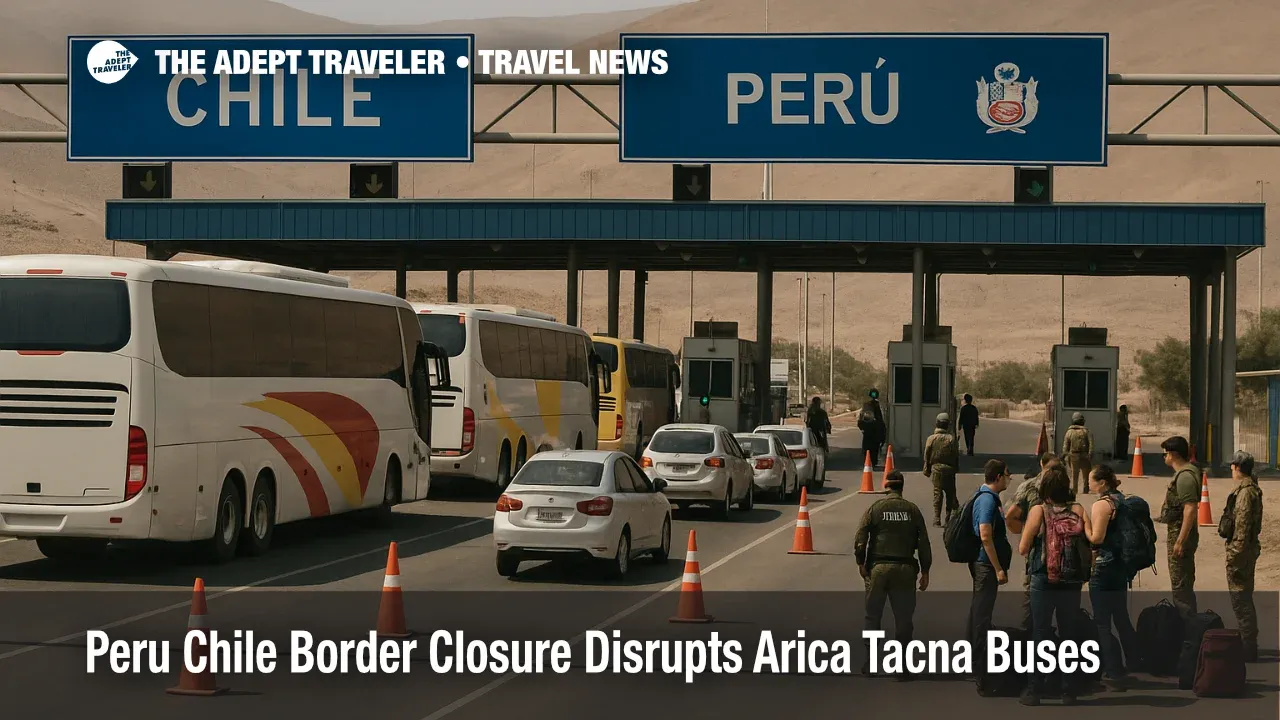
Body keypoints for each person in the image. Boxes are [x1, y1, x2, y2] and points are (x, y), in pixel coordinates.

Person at [1019, 465, 1091, 706]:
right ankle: (1068, 691)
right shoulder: (1079, 509)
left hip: (1043, 579)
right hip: (1071, 581)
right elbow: (1089, 541)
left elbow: (1023, 547)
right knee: (1068, 634)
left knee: (1040, 633)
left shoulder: (1039, 510)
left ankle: (1034, 690)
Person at [854, 469, 932, 679]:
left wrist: (860, 561)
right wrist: (925, 570)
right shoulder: (912, 510)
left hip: (878, 569)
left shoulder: (876, 508)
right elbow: (924, 543)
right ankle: (902, 667)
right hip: (905, 570)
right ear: (902, 487)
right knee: (904, 619)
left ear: (886, 486)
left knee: (873, 616)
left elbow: (861, 536)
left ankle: (871, 663)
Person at [1086, 464, 1140, 692]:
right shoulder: (1122, 501)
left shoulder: (1102, 505)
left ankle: (1114, 672)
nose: (1089, 484)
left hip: (1104, 567)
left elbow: (1096, 539)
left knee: (1102, 623)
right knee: (1121, 616)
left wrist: (1085, 527)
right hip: (1121, 567)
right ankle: (1135, 662)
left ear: (1102, 483)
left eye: (1091, 480)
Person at [1005, 452, 1061, 634]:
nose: (1054, 472)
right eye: (1051, 468)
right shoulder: (1030, 487)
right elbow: (1011, 515)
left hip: (1059, 554)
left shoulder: (1063, 486)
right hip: (1039, 553)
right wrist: (1026, 532)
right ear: (1042, 465)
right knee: (1033, 603)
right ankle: (1029, 638)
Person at [967, 459, 1012, 660]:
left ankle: (975, 653)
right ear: (998, 477)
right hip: (985, 564)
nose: (1009, 479)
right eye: (1007, 475)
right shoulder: (986, 500)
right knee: (981, 613)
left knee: (980, 609)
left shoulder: (991, 498)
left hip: (986, 564)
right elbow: (985, 534)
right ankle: (977, 658)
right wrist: (998, 568)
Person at [1223, 450, 1263, 662]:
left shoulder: (1246, 492)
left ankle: (1248, 648)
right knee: (1243, 598)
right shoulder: (1250, 488)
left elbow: (1243, 525)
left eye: (1233, 465)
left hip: (1241, 553)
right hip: (1246, 550)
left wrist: (1235, 556)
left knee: (1241, 600)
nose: (1231, 469)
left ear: (1238, 467)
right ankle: (1249, 644)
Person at [1159, 435, 1200, 618]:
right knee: (1182, 584)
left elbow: (1190, 509)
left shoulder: (1185, 477)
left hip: (1180, 534)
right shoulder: (1186, 473)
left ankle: (1189, 632)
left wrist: (1180, 541)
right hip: (1178, 532)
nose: (1164, 457)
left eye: (1165, 454)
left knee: (1180, 587)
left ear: (1174, 455)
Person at [923, 413, 960, 527]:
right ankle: (948, 518)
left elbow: (927, 455)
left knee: (937, 494)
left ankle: (936, 518)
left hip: (936, 469)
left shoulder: (931, 438)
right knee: (950, 494)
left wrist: (927, 469)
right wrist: (956, 468)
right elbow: (955, 455)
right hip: (949, 469)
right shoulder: (951, 439)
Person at [1061, 413, 1094, 497]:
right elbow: (1091, 444)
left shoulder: (1069, 432)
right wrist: (1090, 454)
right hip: (1084, 455)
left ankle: (1074, 491)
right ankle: (1085, 490)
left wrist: (1064, 456)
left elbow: (1065, 446)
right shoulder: (1086, 431)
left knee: (1074, 475)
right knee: (1085, 474)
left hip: (1073, 455)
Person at [858, 389, 886, 466]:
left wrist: (862, 428)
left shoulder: (867, 405)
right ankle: (872, 462)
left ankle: (869, 462)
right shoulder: (877, 406)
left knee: (870, 448)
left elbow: (861, 419)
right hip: (873, 431)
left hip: (870, 431)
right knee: (873, 448)